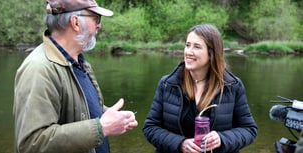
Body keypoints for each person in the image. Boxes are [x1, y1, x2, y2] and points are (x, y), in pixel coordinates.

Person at [13, 0, 138, 153]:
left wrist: (107, 115)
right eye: (96, 19)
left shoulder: (78, 61)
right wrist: (101, 128)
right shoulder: (38, 69)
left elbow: (78, 108)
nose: (99, 25)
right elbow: (32, 144)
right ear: (75, 22)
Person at [142, 24, 257, 153]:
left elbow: (249, 129)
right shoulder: (167, 84)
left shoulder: (233, 86)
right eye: (187, 45)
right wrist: (180, 144)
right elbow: (150, 128)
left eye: (196, 47)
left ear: (212, 53)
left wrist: (222, 139)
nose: (188, 52)